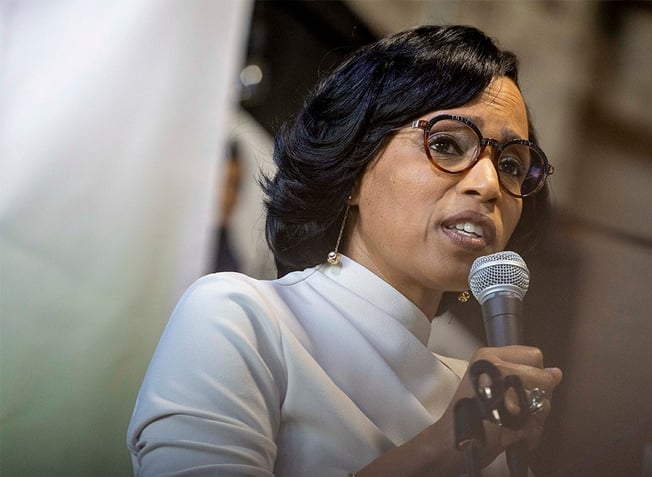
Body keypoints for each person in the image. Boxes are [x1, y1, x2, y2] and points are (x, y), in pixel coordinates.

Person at [127, 25, 562, 477]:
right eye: (446, 144)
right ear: (352, 167)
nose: (489, 184)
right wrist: (446, 446)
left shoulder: (480, 398)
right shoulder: (242, 319)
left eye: (511, 165)